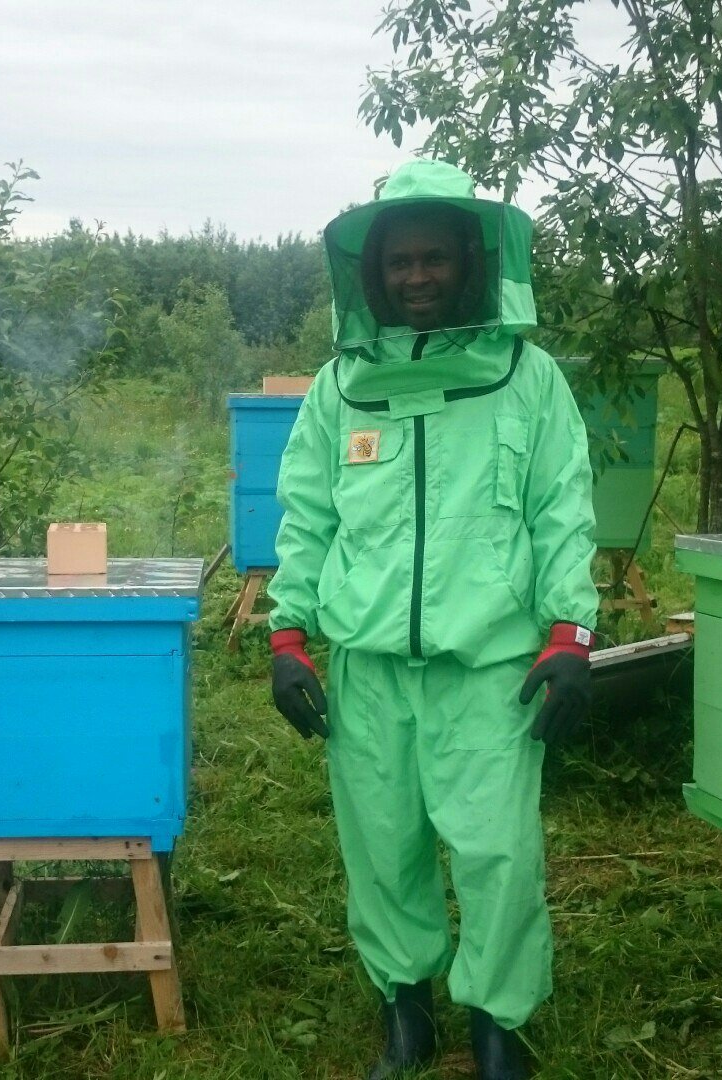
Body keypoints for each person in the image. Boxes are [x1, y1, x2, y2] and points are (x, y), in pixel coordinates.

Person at [267, 160, 597, 1080]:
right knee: (383, 846)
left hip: (490, 664)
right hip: (368, 669)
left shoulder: (527, 379)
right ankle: (404, 1008)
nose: (416, 277)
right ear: (369, 277)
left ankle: (498, 1023)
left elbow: (562, 510)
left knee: (497, 850)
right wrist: (286, 636)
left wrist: (573, 632)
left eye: (434, 259)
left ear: (471, 264)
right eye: (398, 262)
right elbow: (307, 517)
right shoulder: (343, 389)